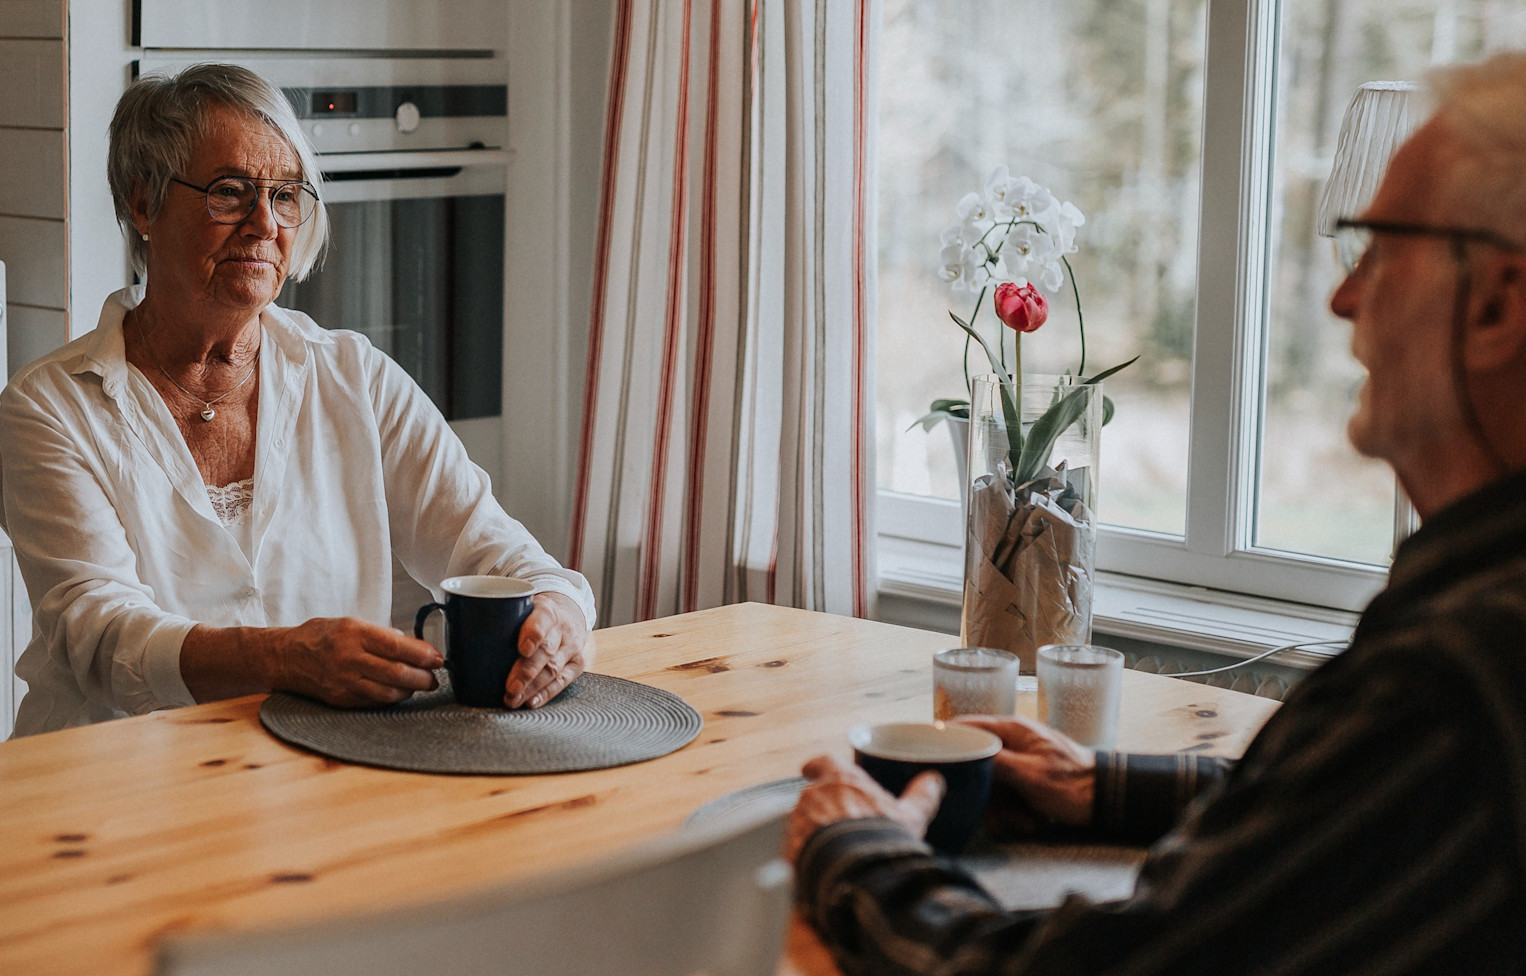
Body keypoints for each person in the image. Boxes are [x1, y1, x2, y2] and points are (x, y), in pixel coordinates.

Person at [786, 50, 1526, 975]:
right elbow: (1362, 816)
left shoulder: (1455, 681)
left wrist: (858, 852)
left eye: (1377, 246)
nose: (1342, 298)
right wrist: (1105, 784)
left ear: (1497, 304)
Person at [0, 64, 595, 736]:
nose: (264, 223)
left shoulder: (355, 377)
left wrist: (559, 616)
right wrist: (285, 657)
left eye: (285, 196)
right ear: (144, 204)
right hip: (105, 792)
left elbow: (493, 549)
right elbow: (101, 637)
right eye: (230, 192)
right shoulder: (47, 407)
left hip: (319, 777)